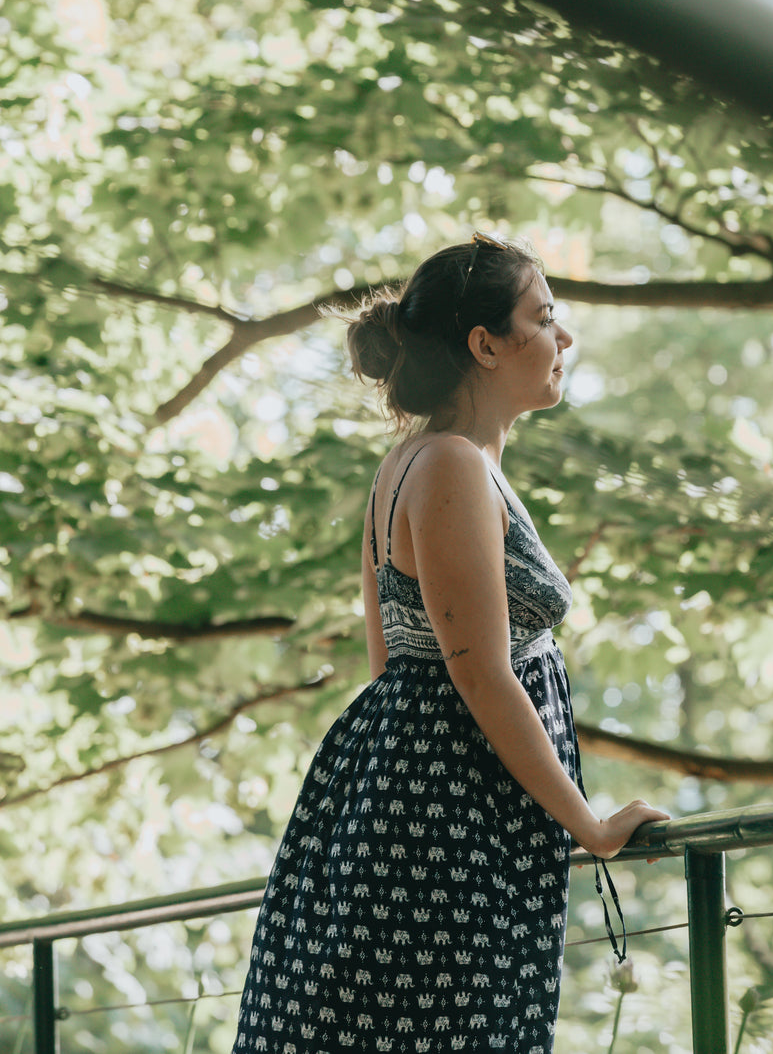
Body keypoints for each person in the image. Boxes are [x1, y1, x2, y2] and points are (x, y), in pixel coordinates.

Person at [231, 233, 669, 1054]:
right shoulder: (451, 465)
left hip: (426, 808)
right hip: (444, 828)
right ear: (486, 345)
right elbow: (480, 675)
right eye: (544, 318)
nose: (565, 338)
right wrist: (593, 828)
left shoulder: (417, 462)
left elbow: (391, 663)